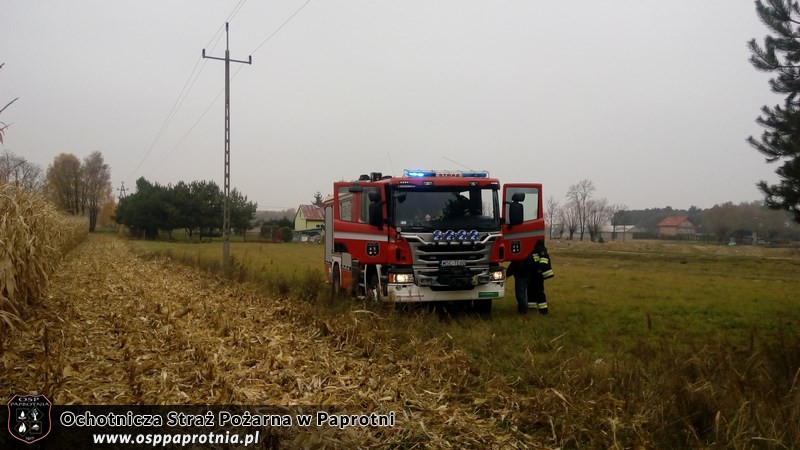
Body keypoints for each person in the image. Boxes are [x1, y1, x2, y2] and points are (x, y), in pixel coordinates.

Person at [506, 250, 537, 315]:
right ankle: (521, 310)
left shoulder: (520, 254)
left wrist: (507, 274)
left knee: (520, 295)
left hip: (521, 277)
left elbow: (513, 265)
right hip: (527, 276)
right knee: (523, 294)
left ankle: (525, 311)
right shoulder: (529, 253)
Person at [528, 240, 554, 315]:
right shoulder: (534, 250)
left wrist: (539, 269)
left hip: (538, 275)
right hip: (533, 274)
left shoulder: (541, 249)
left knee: (539, 291)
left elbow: (544, 260)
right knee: (531, 291)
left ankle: (543, 310)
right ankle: (532, 307)